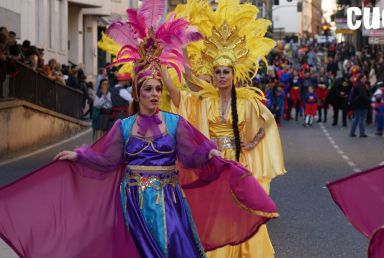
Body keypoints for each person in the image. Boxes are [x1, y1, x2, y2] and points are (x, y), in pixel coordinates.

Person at [0, 3, 278, 258]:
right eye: (148, 89)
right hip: (133, 203)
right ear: (138, 93)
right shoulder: (124, 127)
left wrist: (212, 154)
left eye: (158, 89)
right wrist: (79, 156)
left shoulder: (173, 123)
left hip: (169, 202)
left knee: (173, 247)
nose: (155, 94)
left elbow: (193, 155)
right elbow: (107, 159)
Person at [169, 1, 286, 257]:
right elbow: (184, 89)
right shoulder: (206, 100)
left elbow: (267, 121)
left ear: (234, 75)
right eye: (218, 72)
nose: (222, 76)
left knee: (239, 210)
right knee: (216, 213)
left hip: (237, 162)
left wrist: (253, 143)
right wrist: (180, 49)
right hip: (213, 164)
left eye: (226, 72)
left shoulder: (245, 101)